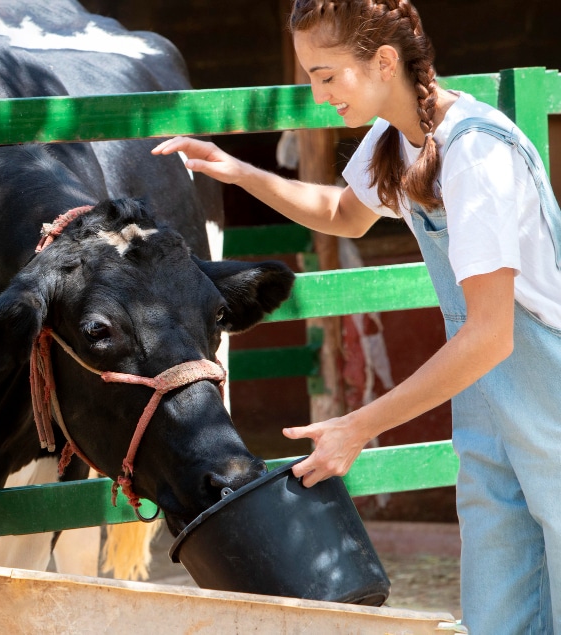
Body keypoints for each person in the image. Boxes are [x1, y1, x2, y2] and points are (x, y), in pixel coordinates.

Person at [153, 0, 561, 632]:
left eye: (326, 76)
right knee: (499, 605)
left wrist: (359, 426)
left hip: (544, 389)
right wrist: (237, 172)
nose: (318, 97)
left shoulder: (476, 153)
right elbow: (345, 213)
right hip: (489, 404)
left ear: (385, 61)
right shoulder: (398, 140)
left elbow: (491, 333)